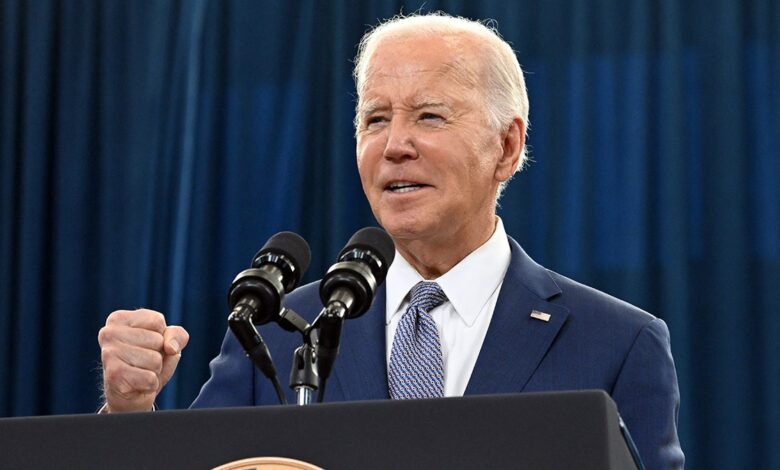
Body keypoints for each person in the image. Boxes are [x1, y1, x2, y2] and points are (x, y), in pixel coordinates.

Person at [98, 13, 684, 469]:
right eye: (375, 119)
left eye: (429, 117)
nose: (394, 144)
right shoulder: (279, 330)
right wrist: (129, 411)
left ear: (506, 148)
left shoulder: (617, 342)